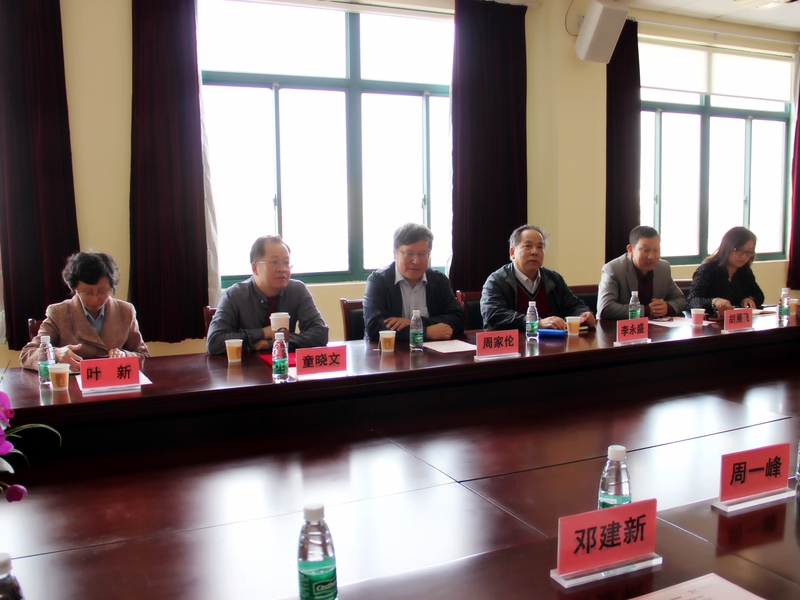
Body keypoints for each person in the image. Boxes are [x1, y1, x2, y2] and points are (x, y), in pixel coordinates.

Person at [20, 252, 149, 370]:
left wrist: (124, 355)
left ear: (111, 288)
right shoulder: (58, 313)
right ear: (75, 289)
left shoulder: (125, 311)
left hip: (115, 382)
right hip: (74, 384)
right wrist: (55, 353)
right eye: (87, 292)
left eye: (102, 292)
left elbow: (143, 355)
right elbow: (27, 354)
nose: (95, 299)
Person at [206, 235, 328, 354]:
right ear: (255, 268)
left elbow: (320, 333)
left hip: (283, 364)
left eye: (286, 263)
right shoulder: (234, 295)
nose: (282, 269)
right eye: (274, 262)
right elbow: (214, 342)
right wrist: (265, 332)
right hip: (244, 366)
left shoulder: (297, 290)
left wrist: (272, 343)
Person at [363, 223, 465, 342]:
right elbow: (375, 327)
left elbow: (458, 320)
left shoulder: (439, 280)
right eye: (409, 254)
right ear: (395, 253)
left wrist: (417, 322)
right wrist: (424, 332)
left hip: (432, 352)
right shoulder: (378, 281)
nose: (416, 261)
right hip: (389, 351)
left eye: (423, 254)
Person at [481, 225, 596, 330]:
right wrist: (535, 323)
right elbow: (493, 314)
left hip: (553, 344)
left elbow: (574, 305)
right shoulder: (496, 281)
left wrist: (583, 314)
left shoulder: (553, 279)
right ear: (512, 252)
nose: (535, 252)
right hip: (514, 344)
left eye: (540, 247)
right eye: (528, 246)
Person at [597, 226, 686, 320]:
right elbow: (605, 308)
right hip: (616, 328)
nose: (651, 256)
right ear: (630, 250)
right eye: (645, 250)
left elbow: (680, 300)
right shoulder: (613, 269)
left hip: (654, 327)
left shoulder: (663, 268)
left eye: (656, 250)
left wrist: (667, 307)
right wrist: (647, 310)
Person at [687, 226, 764, 315]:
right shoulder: (708, 270)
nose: (744, 256)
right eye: (739, 250)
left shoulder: (744, 271)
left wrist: (750, 298)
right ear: (727, 247)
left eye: (749, 252)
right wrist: (714, 301)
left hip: (737, 320)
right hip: (712, 321)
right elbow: (691, 301)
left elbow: (759, 295)